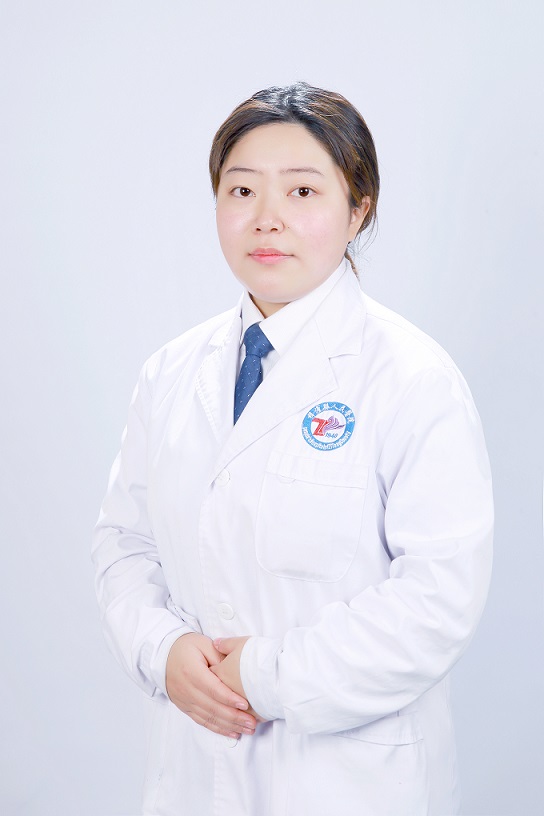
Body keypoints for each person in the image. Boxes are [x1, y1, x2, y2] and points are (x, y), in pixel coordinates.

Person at [92, 82, 493, 816]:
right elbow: (124, 544)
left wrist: (267, 676)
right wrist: (163, 651)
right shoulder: (170, 372)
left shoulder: (411, 378)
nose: (266, 218)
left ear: (358, 208)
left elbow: (438, 599)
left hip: (349, 781)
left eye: (302, 191)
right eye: (241, 190)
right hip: (195, 775)